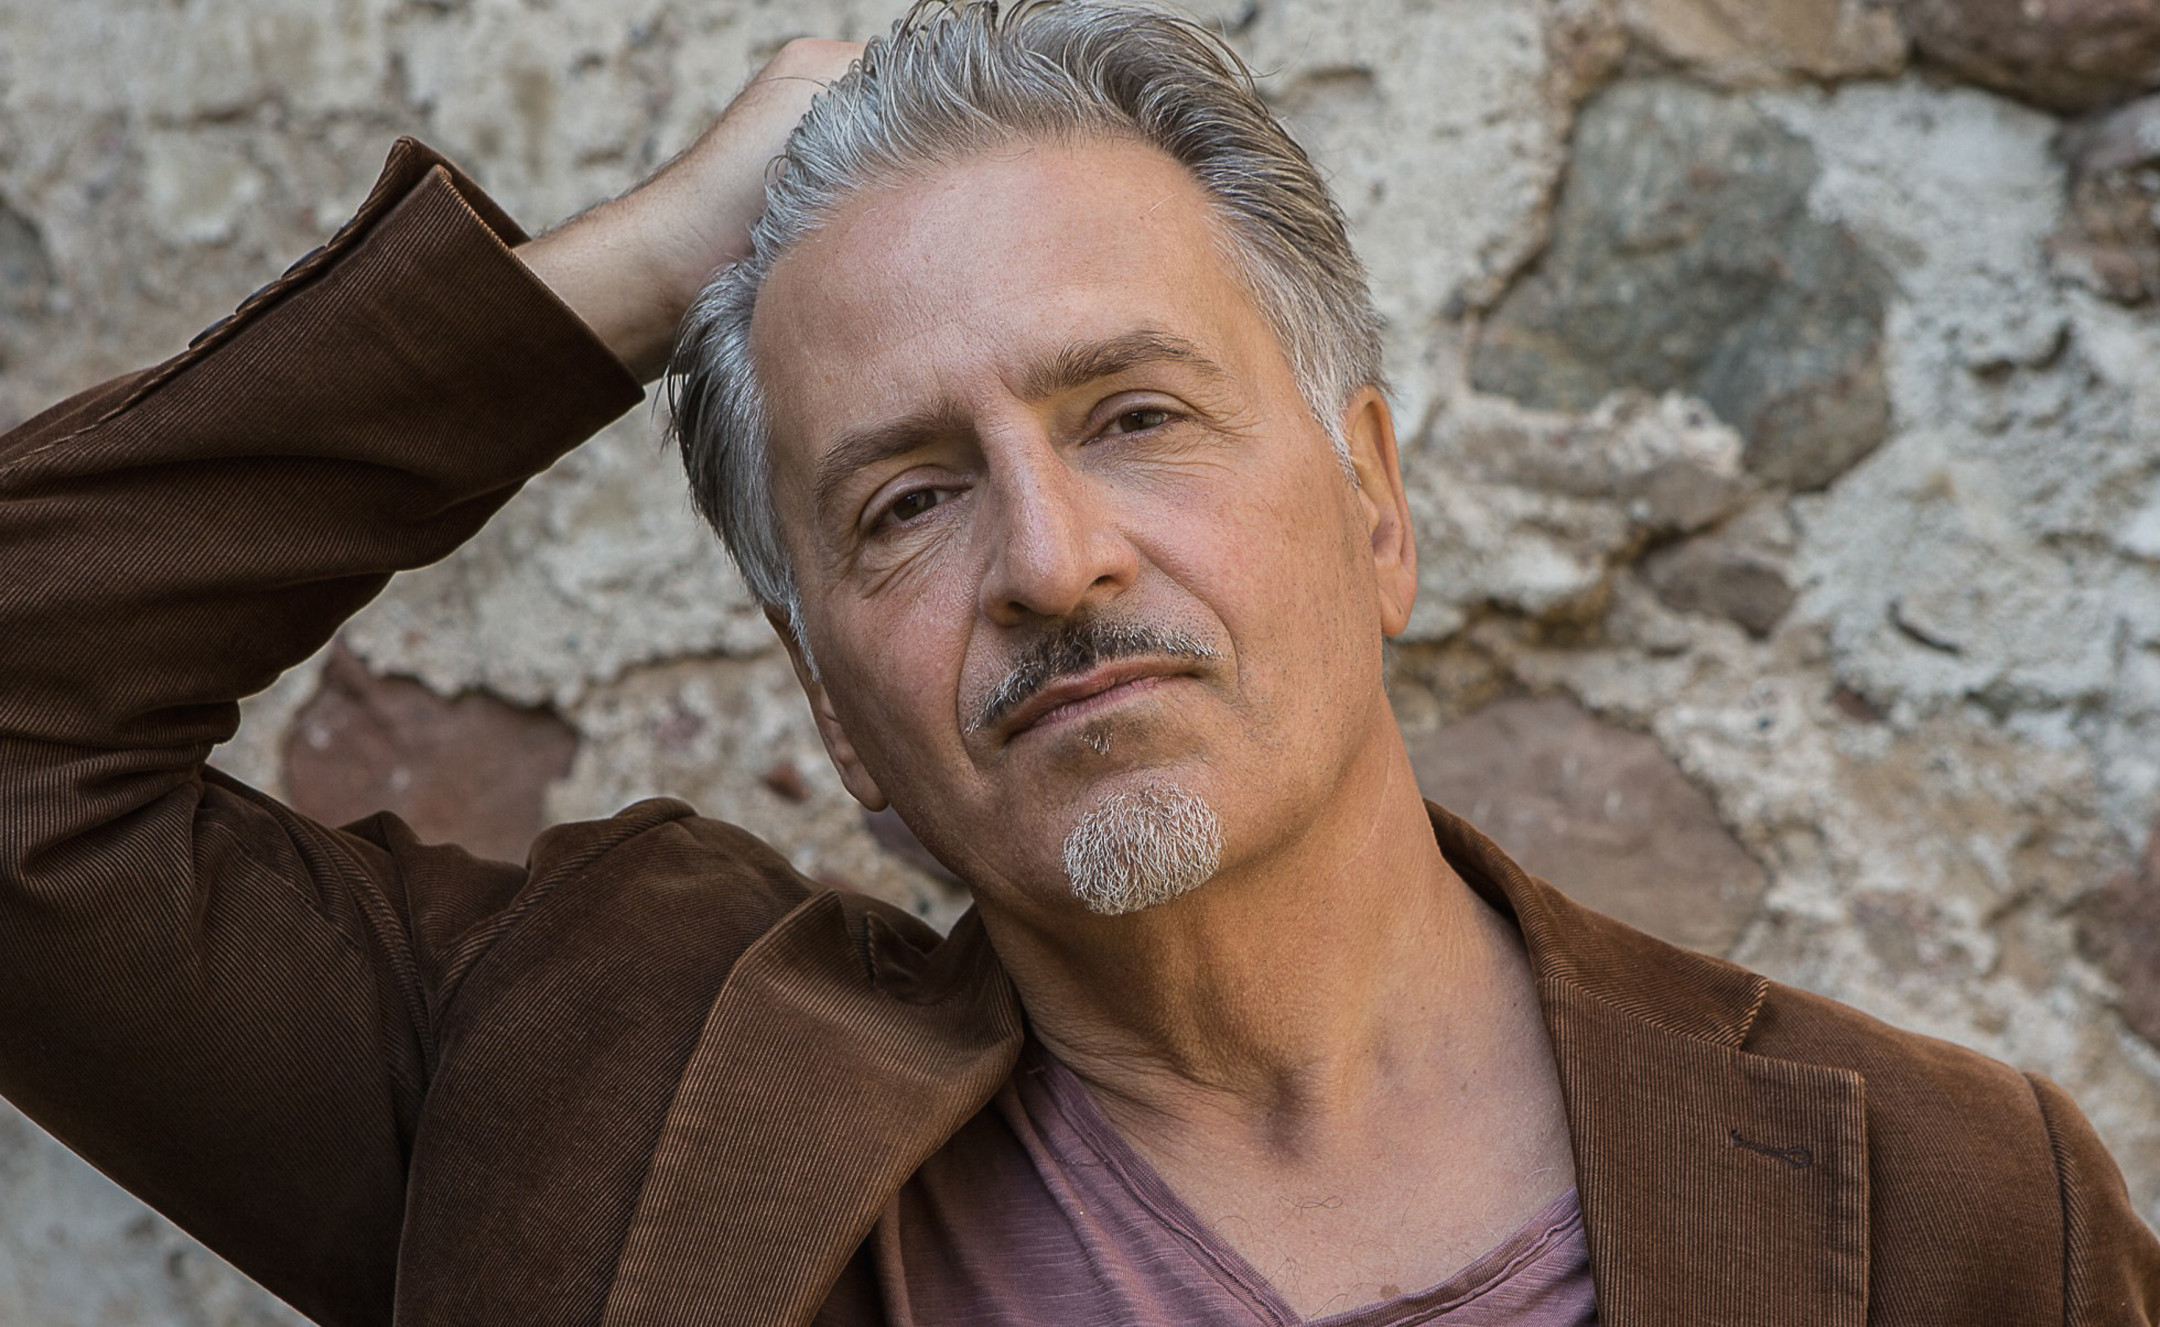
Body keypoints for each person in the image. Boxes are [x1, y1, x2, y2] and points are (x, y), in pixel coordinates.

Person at [0, 1, 2154, 1323]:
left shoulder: (1958, 1202)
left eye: (1134, 414)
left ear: (1375, 506)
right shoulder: (588, 1086)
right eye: (906, 499)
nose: (1049, 557)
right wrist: (646, 263)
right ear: (831, 706)